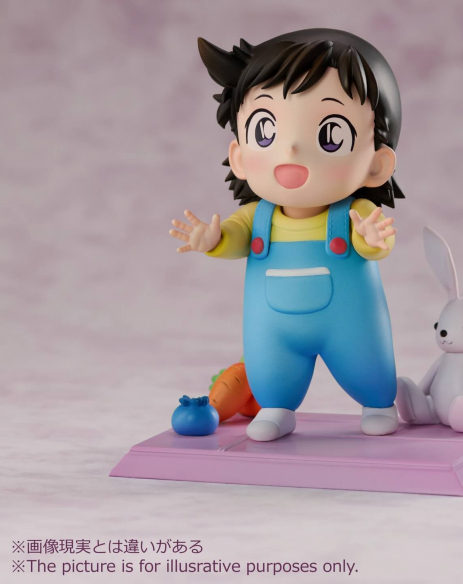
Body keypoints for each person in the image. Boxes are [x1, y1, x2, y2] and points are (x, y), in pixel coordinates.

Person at [169, 29, 405, 441]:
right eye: (265, 130)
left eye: (330, 134)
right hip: (273, 328)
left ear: (376, 164)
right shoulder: (255, 217)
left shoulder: (355, 214)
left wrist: (372, 237)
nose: (291, 150)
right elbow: (235, 236)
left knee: (366, 362)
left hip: (349, 321)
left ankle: (378, 403)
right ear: (239, 156)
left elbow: (375, 242)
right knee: (270, 370)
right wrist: (213, 240)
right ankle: (276, 407)